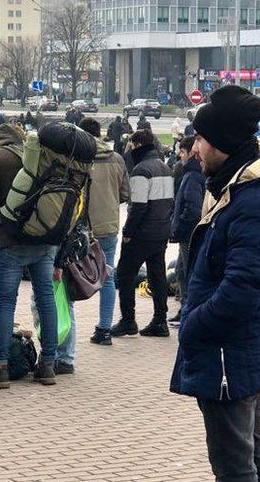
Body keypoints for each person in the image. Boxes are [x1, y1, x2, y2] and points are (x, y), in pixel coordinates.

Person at [171, 85, 260, 482]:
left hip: (228, 348)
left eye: (201, 140)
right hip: (230, 347)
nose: (195, 149)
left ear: (222, 143)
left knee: (234, 466)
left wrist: (195, 325)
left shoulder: (255, 202)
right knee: (250, 453)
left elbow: (243, 288)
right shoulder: (240, 190)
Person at [0, 123, 61, 389]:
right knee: (46, 298)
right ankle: (48, 365)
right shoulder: (38, 155)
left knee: (6, 302)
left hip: (10, 240)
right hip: (44, 240)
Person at [63, 118, 128, 351]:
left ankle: (66, 332)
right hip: (109, 226)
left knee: (67, 273)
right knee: (107, 275)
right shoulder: (117, 159)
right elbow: (125, 193)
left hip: (81, 228)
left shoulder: (76, 160)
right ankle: (104, 328)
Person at [111, 129, 175, 338]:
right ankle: (160, 320)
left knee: (125, 275)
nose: (128, 147)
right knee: (157, 277)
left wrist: (128, 231)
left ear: (137, 145)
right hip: (160, 232)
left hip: (141, 234)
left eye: (130, 144)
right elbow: (168, 203)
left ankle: (128, 320)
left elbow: (138, 206)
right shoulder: (166, 168)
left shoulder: (140, 171)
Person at [168, 136, 205, 326]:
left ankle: (188, 310)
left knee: (188, 271)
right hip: (189, 230)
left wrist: (178, 226)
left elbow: (192, 208)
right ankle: (184, 308)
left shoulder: (191, 176)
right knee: (181, 270)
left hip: (189, 232)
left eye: (182, 152)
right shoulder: (192, 174)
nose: (179, 156)